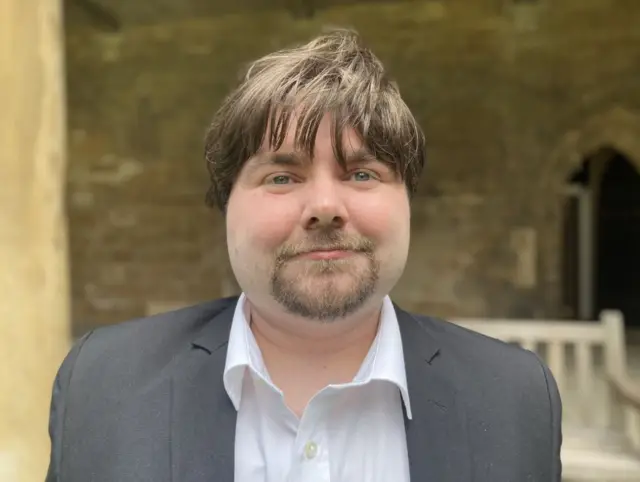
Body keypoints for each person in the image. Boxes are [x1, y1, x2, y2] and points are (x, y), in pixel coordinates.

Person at [45, 29, 562, 482]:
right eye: (282, 177)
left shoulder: (515, 398)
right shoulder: (103, 385)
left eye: (362, 173)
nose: (324, 208)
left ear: (408, 200)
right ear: (226, 204)